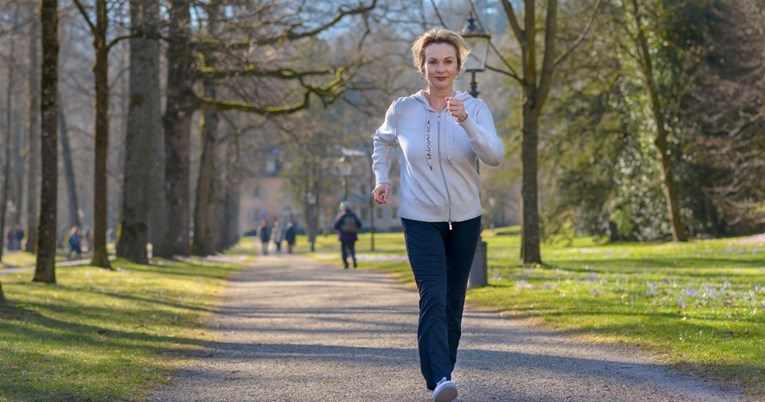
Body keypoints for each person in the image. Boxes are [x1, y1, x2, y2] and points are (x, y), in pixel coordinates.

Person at [371, 28, 504, 402]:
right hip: (419, 218)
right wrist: (382, 178)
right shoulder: (403, 109)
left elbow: (494, 156)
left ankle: (443, 368)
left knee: (453, 300)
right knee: (432, 295)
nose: (440, 69)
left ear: (458, 66)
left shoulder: (475, 108)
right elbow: (381, 141)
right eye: (433, 62)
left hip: (465, 218)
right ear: (422, 66)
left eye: (448, 61)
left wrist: (467, 122)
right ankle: (441, 378)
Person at [333, 201, 362, 269]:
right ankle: (354, 260)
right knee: (352, 248)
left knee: (344, 250)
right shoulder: (353, 215)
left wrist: (342, 228)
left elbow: (336, 226)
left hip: (343, 236)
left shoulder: (341, 216)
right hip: (352, 235)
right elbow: (359, 224)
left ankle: (346, 263)